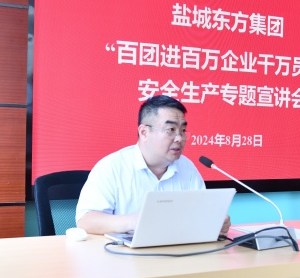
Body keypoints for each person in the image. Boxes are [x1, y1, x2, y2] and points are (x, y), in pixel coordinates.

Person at [76, 95, 231, 235]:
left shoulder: (187, 168)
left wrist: (215, 221)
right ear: (144, 132)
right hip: (123, 254)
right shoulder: (112, 167)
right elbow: (85, 220)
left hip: (177, 252)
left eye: (183, 130)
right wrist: (133, 222)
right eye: (170, 130)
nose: (179, 138)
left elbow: (201, 213)